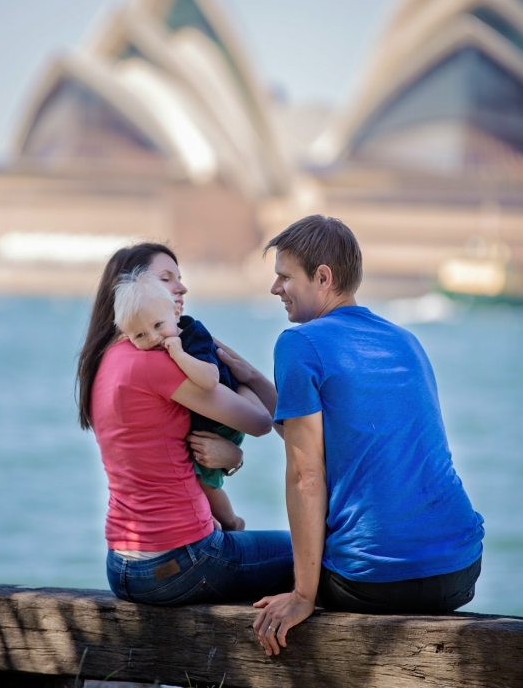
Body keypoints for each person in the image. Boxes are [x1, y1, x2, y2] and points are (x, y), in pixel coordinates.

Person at [252, 215, 485, 656]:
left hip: (373, 583)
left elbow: (307, 473)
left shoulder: (299, 343)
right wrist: (251, 378)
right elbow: (351, 438)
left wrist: (303, 597)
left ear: (323, 278)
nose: (275, 288)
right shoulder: (405, 340)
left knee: (238, 564)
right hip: (459, 571)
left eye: (284, 276)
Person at [76, 242, 293, 605]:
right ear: (129, 291)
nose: (180, 288)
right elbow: (259, 421)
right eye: (165, 278)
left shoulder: (107, 359)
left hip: (123, 565)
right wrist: (245, 375)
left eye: (179, 278)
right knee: (320, 551)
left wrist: (231, 458)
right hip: (180, 560)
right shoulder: (157, 363)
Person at [112, 268, 245, 531]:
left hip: (219, 423)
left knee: (205, 482)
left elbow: (209, 380)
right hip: (199, 419)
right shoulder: (152, 342)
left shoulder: (193, 336)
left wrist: (180, 355)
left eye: (158, 326)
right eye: (140, 335)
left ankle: (232, 523)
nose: (153, 338)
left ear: (175, 313)